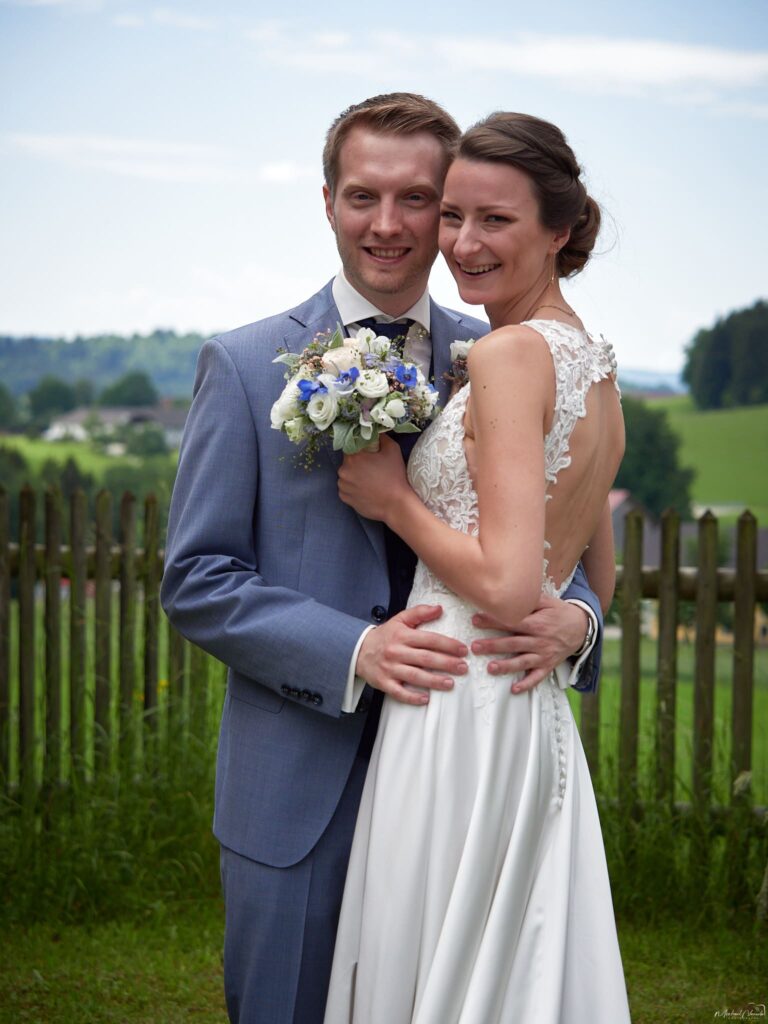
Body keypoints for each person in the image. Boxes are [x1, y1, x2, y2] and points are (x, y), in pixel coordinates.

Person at [160, 94, 605, 1024]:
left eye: (421, 200)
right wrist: (352, 652)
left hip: (463, 774)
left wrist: (580, 616)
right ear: (327, 201)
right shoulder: (245, 367)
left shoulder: (501, 350)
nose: (391, 224)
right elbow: (197, 578)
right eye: (364, 195)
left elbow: (553, 526)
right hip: (300, 789)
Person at [325, 112, 631, 1023]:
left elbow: (503, 583)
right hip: (522, 709)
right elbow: (592, 578)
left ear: (560, 228)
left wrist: (395, 502)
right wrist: (573, 624)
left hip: (456, 694)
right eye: (452, 214)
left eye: (494, 220)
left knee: (436, 960)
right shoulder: (599, 365)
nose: (460, 242)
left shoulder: (505, 354)